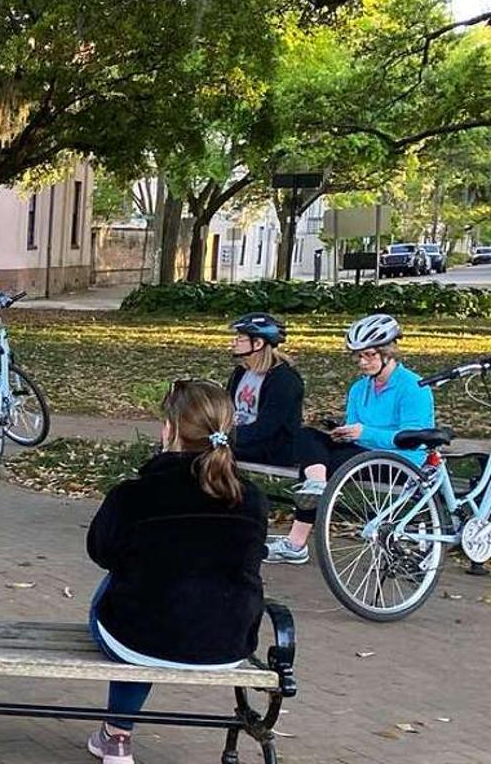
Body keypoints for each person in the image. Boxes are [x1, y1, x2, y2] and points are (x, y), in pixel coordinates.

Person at [85, 380, 266, 764]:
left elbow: (100, 552)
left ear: (169, 430)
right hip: (227, 641)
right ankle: (114, 734)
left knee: (133, 599)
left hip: (141, 636)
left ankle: (118, 735)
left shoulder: (134, 494)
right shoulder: (251, 499)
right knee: (155, 600)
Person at [265, 312, 437, 565]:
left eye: (370, 355)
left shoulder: (413, 386)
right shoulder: (359, 388)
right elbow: (355, 428)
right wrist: (343, 432)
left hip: (401, 461)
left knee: (325, 463)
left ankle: (296, 542)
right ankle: (315, 486)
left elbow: (414, 439)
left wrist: (364, 433)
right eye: (359, 356)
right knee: (307, 437)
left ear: (389, 352)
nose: (363, 362)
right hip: (363, 452)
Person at [225, 312, 306, 467]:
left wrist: (229, 438)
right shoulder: (241, 372)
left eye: (240, 339)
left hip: (271, 449)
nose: (234, 343)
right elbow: (228, 407)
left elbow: (267, 427)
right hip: (240, 439)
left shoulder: (284, 380)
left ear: (258, 343)